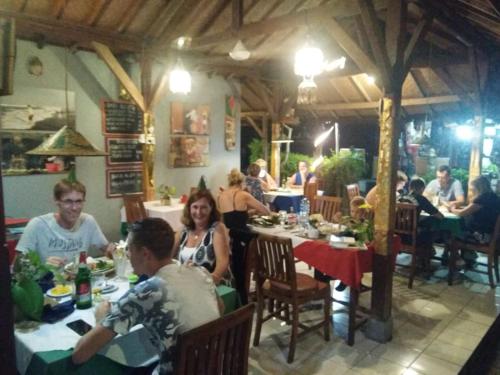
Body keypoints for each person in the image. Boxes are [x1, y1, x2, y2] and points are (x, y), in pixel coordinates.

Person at [72, 218, 221, 374]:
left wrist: (101, 319)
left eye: (129, 249)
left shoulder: (146, 292)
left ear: (145, 254)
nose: (127, 254)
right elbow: (220, 307)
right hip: (214, 366)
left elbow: (79, 355)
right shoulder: (200, 272)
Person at [16, 179, 114, 266]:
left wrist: (113, 251)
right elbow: (17, 267)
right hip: (46, 284)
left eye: (79, 201)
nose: (74, 208)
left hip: (78, 281)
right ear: (57, 201)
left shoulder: (88, 221)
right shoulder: (37, 225)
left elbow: (106, 249)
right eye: (68, 201)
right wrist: (42, 266)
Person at [218, 169, 270, 304]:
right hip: (243, 238)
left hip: (229, 238)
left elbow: (227, 218)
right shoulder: (243, 195)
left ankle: (249, 286)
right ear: (241, 182)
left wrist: (248, 213)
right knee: (264, 243)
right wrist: (249, 202)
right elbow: (266, 211)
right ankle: (262, 281)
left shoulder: (221, 195)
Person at [173, 189, 231, 285]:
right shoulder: (183, 230)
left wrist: (213, 278)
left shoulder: (217, 228)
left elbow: (223, 263)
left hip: (213, 286)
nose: (198, 212)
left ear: (211, 208)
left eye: (203, 207)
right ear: (189, 208)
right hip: (186, 284)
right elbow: (167, 256)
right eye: (195, 207)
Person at [450, 175, 500, 246]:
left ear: (478, 187)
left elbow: (462, 213)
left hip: (480, 236)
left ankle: (455, 256)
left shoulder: (482, 199)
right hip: (491, 234)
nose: (471, 190)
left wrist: (452, 209)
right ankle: (467, 254)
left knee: (451, 233)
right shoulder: (494, 197)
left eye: (472, 187)